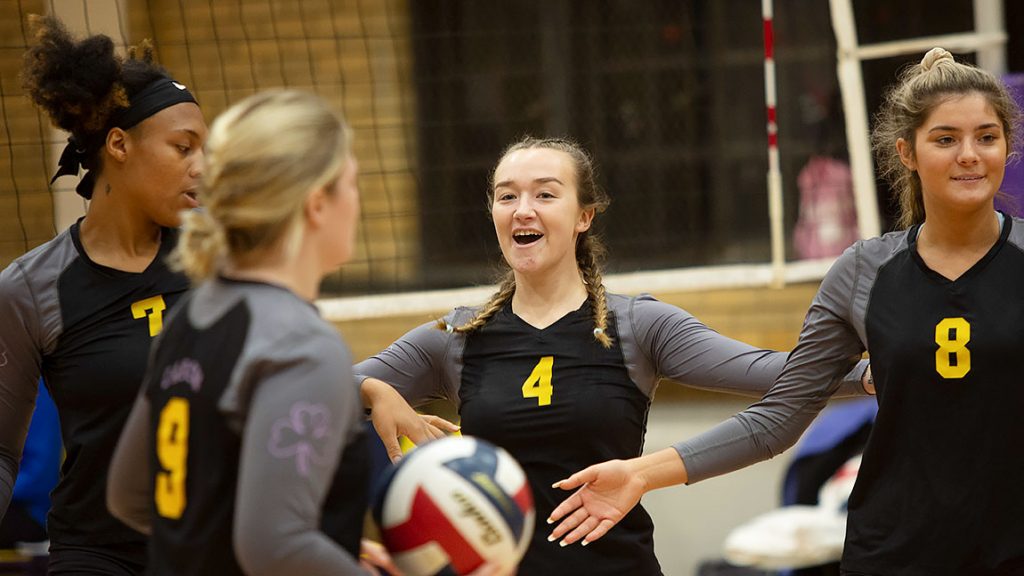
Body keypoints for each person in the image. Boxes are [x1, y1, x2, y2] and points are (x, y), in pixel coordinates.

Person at [547, 48, 1024, 575]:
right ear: (906, 153)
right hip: (895, 555)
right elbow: (777, 417)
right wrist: (641, 473)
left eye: (986, 136)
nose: (969, 155)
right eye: (945, 139)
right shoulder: (864, 271)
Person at [357, 136, 870, 575]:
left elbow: (772, 373)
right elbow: (312, 386)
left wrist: (873, 374)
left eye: (544, 194)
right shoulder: (456, 334)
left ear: (584, 216)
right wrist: (374, 390)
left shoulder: (637, 325)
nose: (522, 209)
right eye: (505, 196)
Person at [103, 89, 381, 576]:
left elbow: (129, 498)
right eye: (352, 184)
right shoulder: (302, 345)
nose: (358, 202)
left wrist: (326, 558)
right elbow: (274, 546)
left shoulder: (189, 317)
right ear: (317, 203)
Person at [0, 15, 206, 575]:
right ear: (119, 144)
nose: (201, 168)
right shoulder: (30, 287)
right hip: (100, 556)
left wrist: (368, 389)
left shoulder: (221, 257)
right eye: (183, 148)